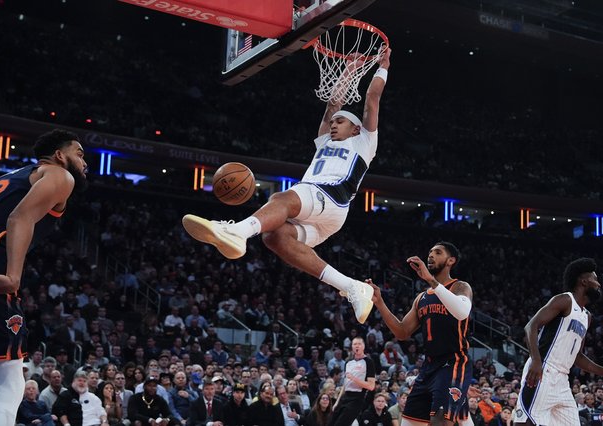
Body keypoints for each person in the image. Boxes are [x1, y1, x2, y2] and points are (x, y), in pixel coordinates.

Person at [182, 47, 392, 325]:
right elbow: (332, 105)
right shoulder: (324, 142)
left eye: (341, 121)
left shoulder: (364, 142)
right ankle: (352, 286)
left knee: (283, 197)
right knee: (274, 237)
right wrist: (349, 70)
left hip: (330, 196)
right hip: (326, 215)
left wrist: (383, 66)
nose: (333, 124)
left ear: (355, 128)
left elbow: (371, 100)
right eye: (333, 121)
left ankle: (236, 230)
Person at [0, 129, 87, 426]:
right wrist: (12, 277)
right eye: (80, 154)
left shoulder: (10, 177)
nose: (85, 163)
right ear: (60, 155)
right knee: (9, 381)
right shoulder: (60, 176)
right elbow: (19, 218)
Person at [367, 242, 473, 426]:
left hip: (453, 362)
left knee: (439, 421)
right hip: (429, 366)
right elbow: (402, 332)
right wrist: (380, 303)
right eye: (430, 251)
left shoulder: (460, 287)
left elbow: (462, 312)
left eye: (438, 252)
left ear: (451, 260)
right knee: (408, 423)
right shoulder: (422, 298)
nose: (431, 255)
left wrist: (432, 281)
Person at [513, 258, 603, 425]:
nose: (598, 284)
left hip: (562, 379)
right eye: (595, 279)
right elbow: (531, 326)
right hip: (544, 370)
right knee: (525, 421)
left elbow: (578, 356)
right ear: (584, 281)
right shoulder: (564, 300)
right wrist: (536, 361)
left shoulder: (587, 316)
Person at [328, 337, 375, 426]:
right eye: (355, 344)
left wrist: (354, 378)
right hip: (344, 397)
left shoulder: (369, 362)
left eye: (359, 344)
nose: (357, 346)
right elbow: (345, 384)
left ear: (363, 346)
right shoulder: (348, 362)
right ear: (352, 347)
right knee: (330, 423)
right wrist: (337, 402)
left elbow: (371, 386)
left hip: (357, 398)